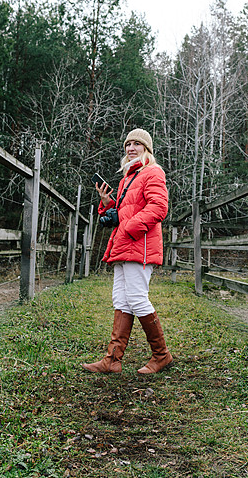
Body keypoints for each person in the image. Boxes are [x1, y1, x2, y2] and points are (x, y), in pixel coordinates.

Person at [82, 128, 172, 374]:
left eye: (137, 144)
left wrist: (129, 227)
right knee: (121, 300)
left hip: (139, 244)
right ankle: (112, 360)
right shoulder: (128, 178)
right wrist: (107, 203)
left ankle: (161, 355)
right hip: (124, 244)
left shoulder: (152, 172)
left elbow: (158, 207)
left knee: (136, 298)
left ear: (147, 148)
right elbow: (125, 211)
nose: (131, 148)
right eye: (127, 144)